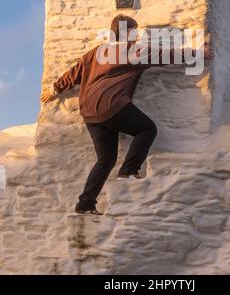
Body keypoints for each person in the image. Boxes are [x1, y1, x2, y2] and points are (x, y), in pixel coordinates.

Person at [41, 14, 214, 215]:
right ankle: (128, 171)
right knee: (147, 129)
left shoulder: (96, 52)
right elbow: (165, 55)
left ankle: (85, 204)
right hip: (112, 105)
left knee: (105, 160)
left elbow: (73, 73)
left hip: (90, 113)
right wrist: (197, 54)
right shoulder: (132, 51)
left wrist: (53, 91)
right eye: (135, 31)